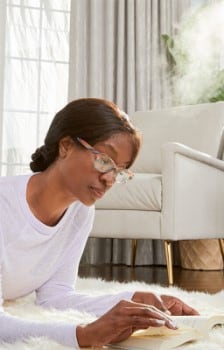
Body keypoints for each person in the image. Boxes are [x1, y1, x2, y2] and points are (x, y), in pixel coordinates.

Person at [0, 98, 198, 349]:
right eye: (105, 161)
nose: (109, 179)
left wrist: (134, 300)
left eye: (119, 171)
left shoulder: (81, 212)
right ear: (66, 146)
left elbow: (55, 296)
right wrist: (84, 335)